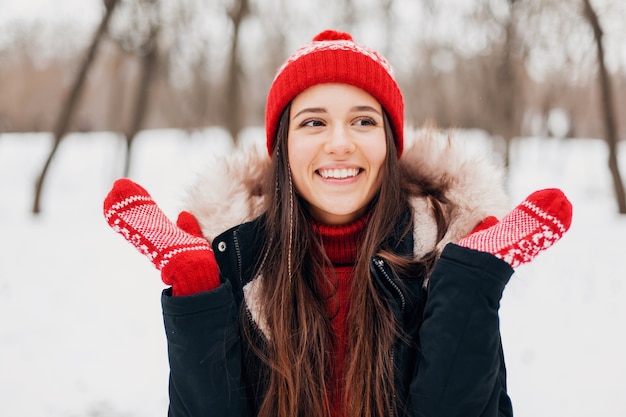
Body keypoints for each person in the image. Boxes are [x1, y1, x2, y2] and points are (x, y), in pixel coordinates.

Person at [103, 30, 573, 417]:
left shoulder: (440, 256)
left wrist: (467, 285)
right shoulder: (236, 263)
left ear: (390, 143)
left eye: (364, 121)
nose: (340, 143)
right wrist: (199, 295)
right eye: (313, 123)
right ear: (283, 146)